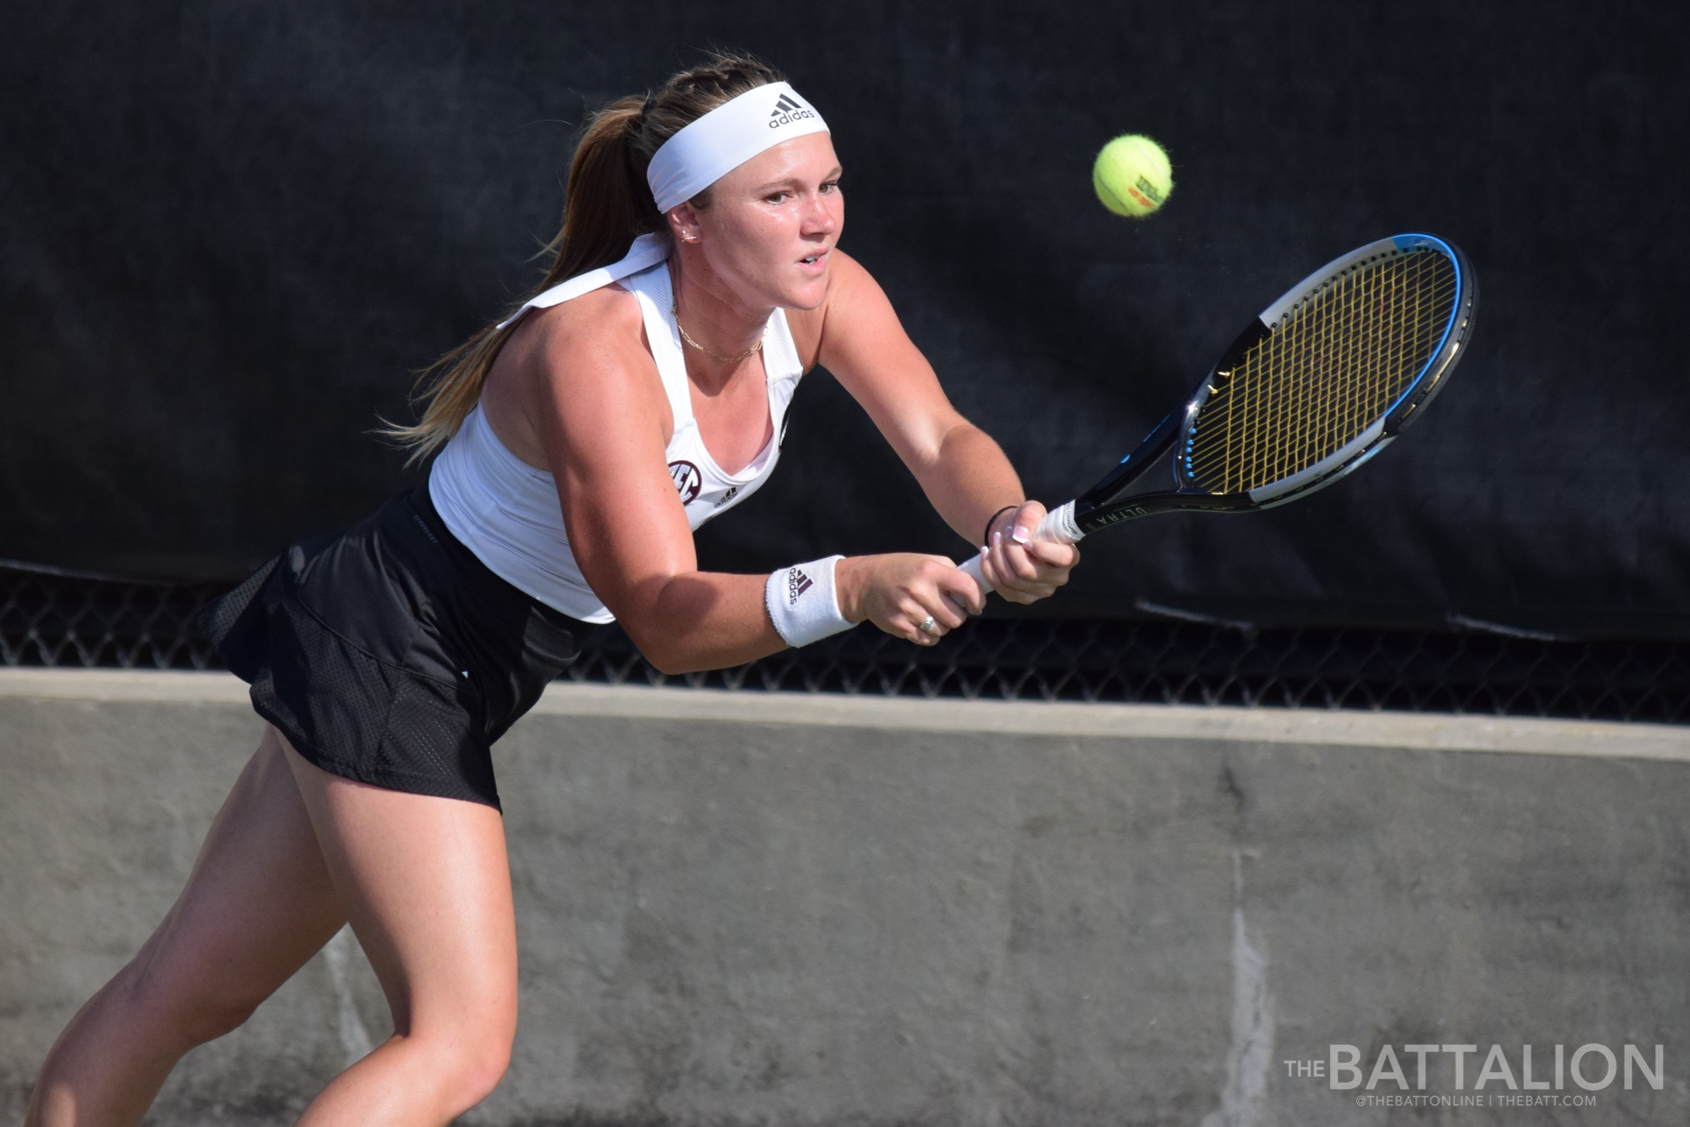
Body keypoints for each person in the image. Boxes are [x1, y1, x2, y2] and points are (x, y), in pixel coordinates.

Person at [24, 53, 1078, 1127]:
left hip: (442, 654)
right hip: (400, 643)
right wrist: (846, 584)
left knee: (190, 988)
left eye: (829, 183)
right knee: (457, 1042)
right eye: (779, 195)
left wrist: (1001, 518)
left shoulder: (820, 296)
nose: (820, 221)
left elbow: (942, 435)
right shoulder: (594, 351)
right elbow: (664, 615)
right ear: (690, 220)